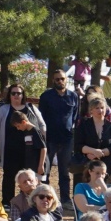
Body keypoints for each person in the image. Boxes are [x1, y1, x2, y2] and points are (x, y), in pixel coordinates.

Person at [38, 71, 80, 199]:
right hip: (49, 138)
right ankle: (45, 197)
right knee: (46, 170)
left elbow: (75, 117)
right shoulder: (45, 96)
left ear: (66, 80)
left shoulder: (73, 96)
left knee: (64, 172)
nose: (60, 81)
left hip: (67, 139)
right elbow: (41, 117)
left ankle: (65, 199)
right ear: (53, 80)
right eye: (57, 79)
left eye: (62, 79)